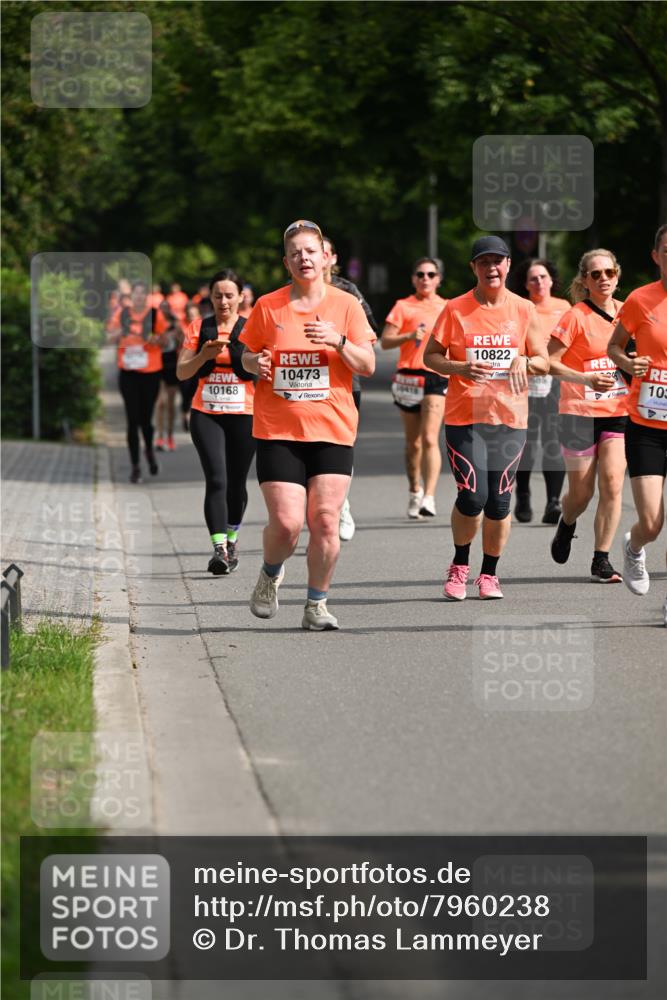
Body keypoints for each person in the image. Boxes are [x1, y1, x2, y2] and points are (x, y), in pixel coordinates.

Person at [240, 219, 376, 630]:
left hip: (332, 430)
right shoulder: (268, 306)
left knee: (325, 520)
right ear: (287, 262)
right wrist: (255, 363)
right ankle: (270, 573)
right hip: (278, 430)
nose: (304, 257)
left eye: (310, 251)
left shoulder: (346, 306)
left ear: (324, 257)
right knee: (286, 524)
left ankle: (316, 605)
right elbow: (245, 357)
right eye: (295, 252)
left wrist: (338, 341)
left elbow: (367, 365)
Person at [423, 235, 548, 600]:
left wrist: (525, 361)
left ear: (508, 265)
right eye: (483, 262)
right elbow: (431, 356)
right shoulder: (455, 308)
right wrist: (460, 366)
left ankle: (489, 574)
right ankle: (459, 566)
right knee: (473, 497)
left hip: (510, 418)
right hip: (466, 417)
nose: (491, 268)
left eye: (497, 261)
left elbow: (542, 360)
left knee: (499, 502)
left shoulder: (524, 310)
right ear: (473, 268)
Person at [547, 248, 627, 582]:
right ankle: (567, 523)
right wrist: (585, 378)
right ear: (584, 280)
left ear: (617, 275)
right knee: (581, 494)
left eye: (609, 272)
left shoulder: (629, 313)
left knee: (612, 482)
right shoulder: (575, 316)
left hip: (618, 410)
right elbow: (549, 362)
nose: (603, 279)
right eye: (596, 274)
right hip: (578, 412)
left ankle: (601, 559)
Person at [177, 269, 257, 575]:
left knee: (236, 482)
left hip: (244, 414)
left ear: (240, 297)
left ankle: (233, 537)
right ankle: (219, 549)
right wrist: (204, 356)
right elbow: (182, 373)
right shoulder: (200, 327)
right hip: (206, 412)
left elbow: (263, 370)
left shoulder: (251, 329)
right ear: (209, 298)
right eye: (217, 295)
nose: (223, 301)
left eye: (228, 295)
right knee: (217, 479)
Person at [608, 223, 667, 623]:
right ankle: (633, 547)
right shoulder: (640, 299)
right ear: (656, 255)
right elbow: (613, 346)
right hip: (647, 425)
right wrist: (628, 362)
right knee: (652, 521)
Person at [381, 258, 449, 518]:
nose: (425, 279)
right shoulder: (403, 306)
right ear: (413, 279)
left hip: (436, 376)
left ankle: (429, 498)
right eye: (420, 274)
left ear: (438, 279)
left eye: (431, 274)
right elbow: (386, 342)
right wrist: (409, 336)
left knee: (431, 437)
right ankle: (414, 490)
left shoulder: (447, 307)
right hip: (408, 376)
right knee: (414, 442)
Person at [322, 234, 379, 541]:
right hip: (306, 385)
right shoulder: (290, 296)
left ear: (331, 259)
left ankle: (340, 504)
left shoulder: (348, 291)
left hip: (346, 380)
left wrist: (340, 338)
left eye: (324, 253)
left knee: (341, 445)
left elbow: (370, 331)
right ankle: (323, 515)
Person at [512, 258, 570, 523]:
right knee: (526, 444)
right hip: (524, 379)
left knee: (552, 443)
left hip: (554, 381)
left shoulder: (564, 307)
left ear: (551, 280)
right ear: (526, 284)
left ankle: (554, 503)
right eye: (533, 278)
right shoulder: (520, 307)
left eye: (543, 277)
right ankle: (523, 497)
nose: (539, 282)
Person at [108, 281, 169, 483]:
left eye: (143, 294)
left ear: (147, 297)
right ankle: (135, 466)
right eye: (136, 294)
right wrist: (118, 334)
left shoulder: (154, 314)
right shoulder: (122, 314)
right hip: (128, 372)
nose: (139, 297)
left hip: (151, 372)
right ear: (131, 296)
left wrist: (156, 340)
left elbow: (166, 340)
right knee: (132, 420)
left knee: (145, 419)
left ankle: (149, 450)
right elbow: (109, 336)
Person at [154, 301, 182, 451]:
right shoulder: (154, 326)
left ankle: (170, 436)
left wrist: (177, 336)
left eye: (165, 310)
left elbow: (183, 343)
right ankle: (159, 436)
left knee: (171, 404)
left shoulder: (175, 325)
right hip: (157, 365)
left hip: (171, 365)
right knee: (160, 403)